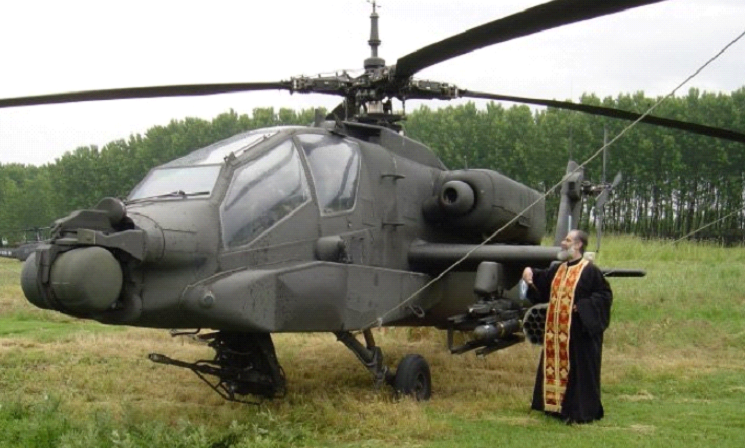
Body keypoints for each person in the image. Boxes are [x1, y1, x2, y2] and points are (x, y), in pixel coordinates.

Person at [521, 229, 613, 424]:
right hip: (556, 333)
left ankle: (578, 412)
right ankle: (554, 407)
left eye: (568, 240)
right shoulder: (558, 269)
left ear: (578, 245)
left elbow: (604, 296)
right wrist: (530, 274)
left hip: (580, 333)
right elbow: (541, 283)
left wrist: (583, 306)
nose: (563, 243)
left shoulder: (590, 271)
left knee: (578, 371)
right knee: (554, 367)